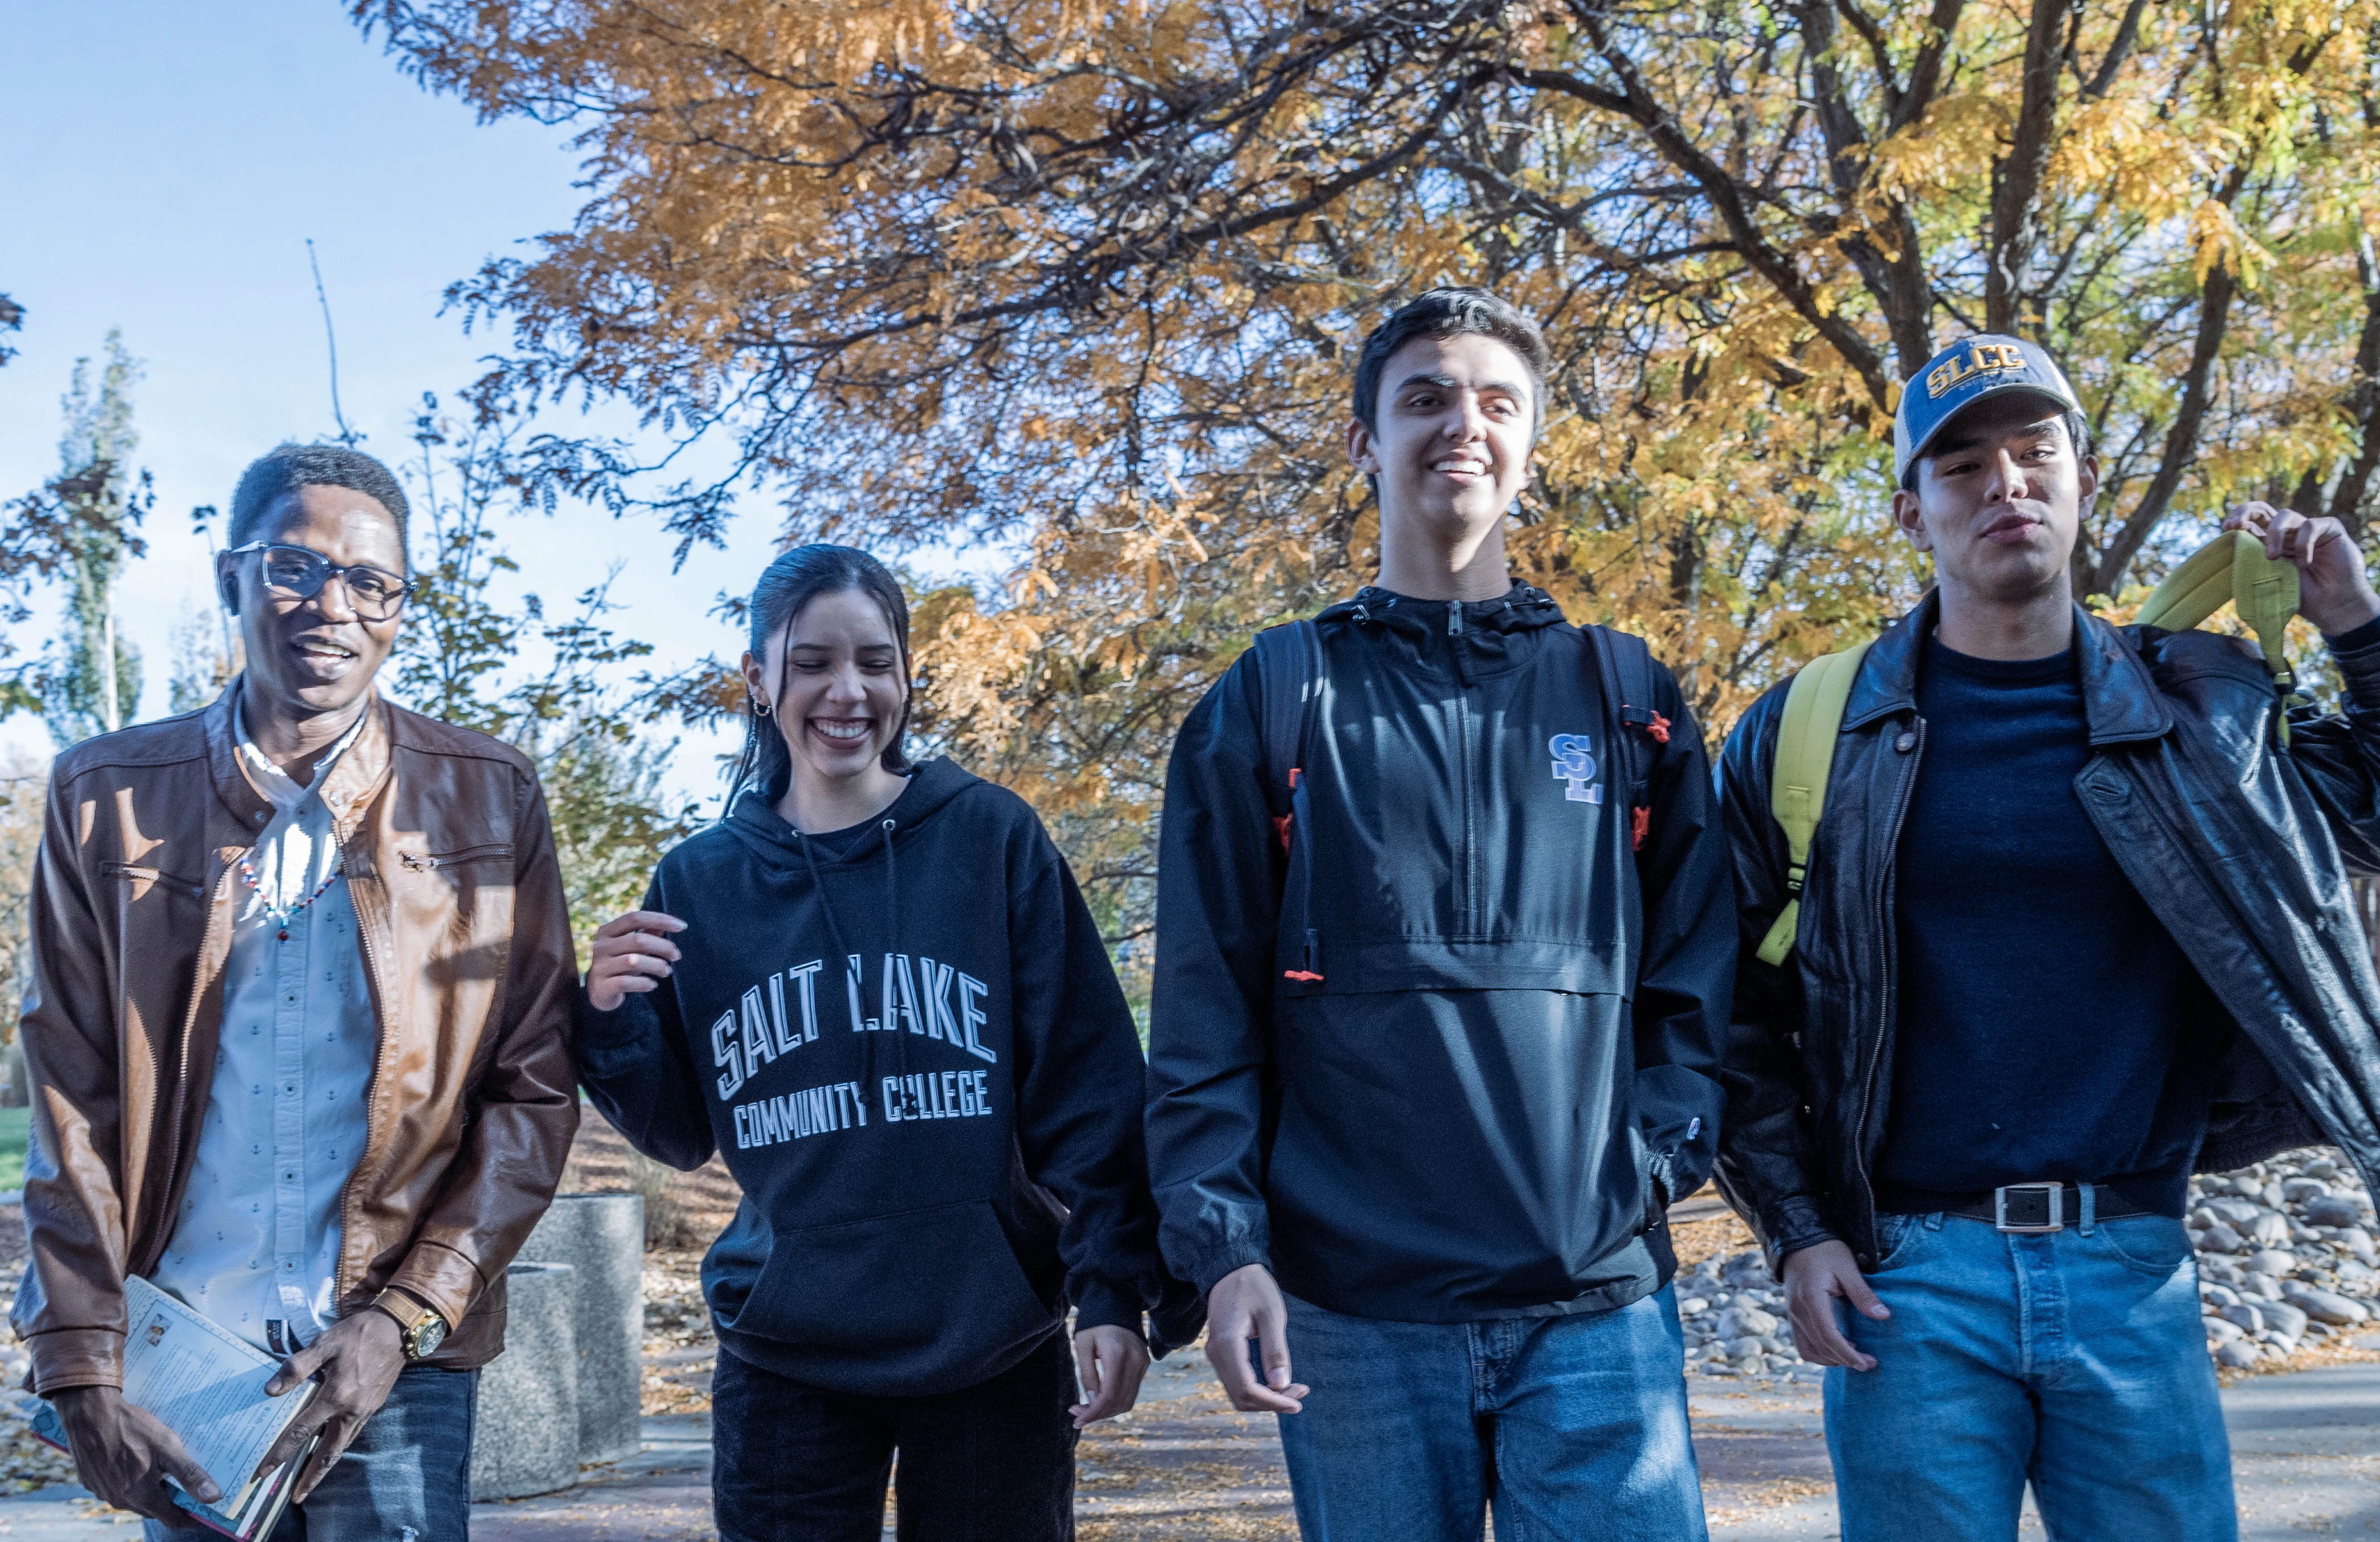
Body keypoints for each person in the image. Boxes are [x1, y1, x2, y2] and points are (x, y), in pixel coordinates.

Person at [1716, 332, 2380, 1541]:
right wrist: (1794, 1227)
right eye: (1962, 465)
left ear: (2082, 482)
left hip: (2131, 1258)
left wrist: (2353, 626)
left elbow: (2367, 814)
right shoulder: (1809, 729)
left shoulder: (2201, 708)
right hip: (1903, 1283)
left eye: (2033, 453)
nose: (2004, 484)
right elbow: (1729, 1004)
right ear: (1912, 513)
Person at [1145, 287, 1735, 1540]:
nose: (1458, 422)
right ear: (1361, 440)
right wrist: (1225, 1246)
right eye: (1422, 396)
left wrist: (1641, 1169)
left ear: (1530, 441)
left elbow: (1696, 985)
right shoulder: (1271, 697)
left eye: (1493, 400)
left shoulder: (1626, 694)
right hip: (1350, 1316)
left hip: (1594, 1307)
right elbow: (1201, 1018)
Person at [14, 443, 581, 1537]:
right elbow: (70, 1100)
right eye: (294, 568)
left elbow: (533, 1093)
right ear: (231, 577)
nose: (333, 607)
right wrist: (81, 1364)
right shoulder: (107, 796)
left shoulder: (487, 798)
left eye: (372, 582)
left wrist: (407, 1315)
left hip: (392, 1363)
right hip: (183, 1362)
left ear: (402, 607)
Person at [575, 543, 1195, 1542]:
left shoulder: (989, 838)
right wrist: (607, 1020)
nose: (846, 691)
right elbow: (683, 1133)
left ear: (909, 675)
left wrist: (1115, 1290)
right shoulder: (700, 882)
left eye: (875, 660)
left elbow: (1086, 1087)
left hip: (992, 1338)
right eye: (813, 661)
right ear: (757, 679)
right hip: (786, 1351)